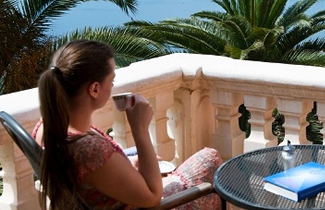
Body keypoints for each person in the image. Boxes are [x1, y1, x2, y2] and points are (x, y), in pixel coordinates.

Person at [33, 39, 221, 209]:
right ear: (95, 89)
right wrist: (140, 129)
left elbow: (97, 174)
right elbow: (153, 197)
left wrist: (131, 162)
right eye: (112, 80)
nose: (113, 86)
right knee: (211, 164)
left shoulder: (48, 126)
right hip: (142, 204)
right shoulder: (88, 149)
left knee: (208, 160)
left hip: (120, 195)